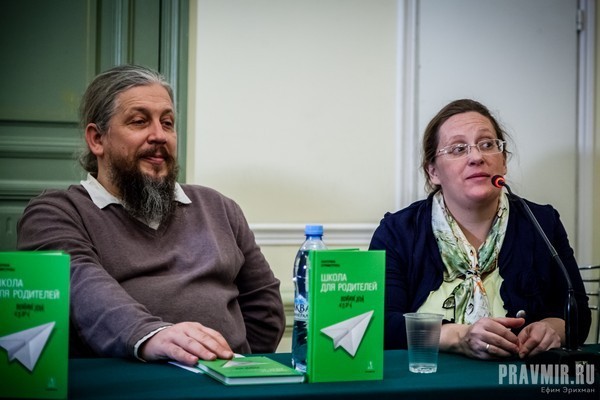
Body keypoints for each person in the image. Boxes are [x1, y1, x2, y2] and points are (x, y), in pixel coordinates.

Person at [17, 64, 286, 366]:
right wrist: (151, 336)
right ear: (97, 139)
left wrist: (238, 365)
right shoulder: (54, 213)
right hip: (126, 382)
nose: (159, 135)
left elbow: (264, 307)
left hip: (226, 376)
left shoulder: (219, 207)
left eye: (167, 123)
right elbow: (80, 286)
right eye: (139, 121)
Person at [369, 99, 591, 359]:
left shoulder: (542, 222)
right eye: (458, 149)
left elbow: (579, 315)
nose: (476, 157)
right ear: (433, 172)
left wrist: (553, 328)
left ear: (503, 161)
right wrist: (458, 336)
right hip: (429, 377)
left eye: (487, 145)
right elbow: (382, 325)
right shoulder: (397, 232)